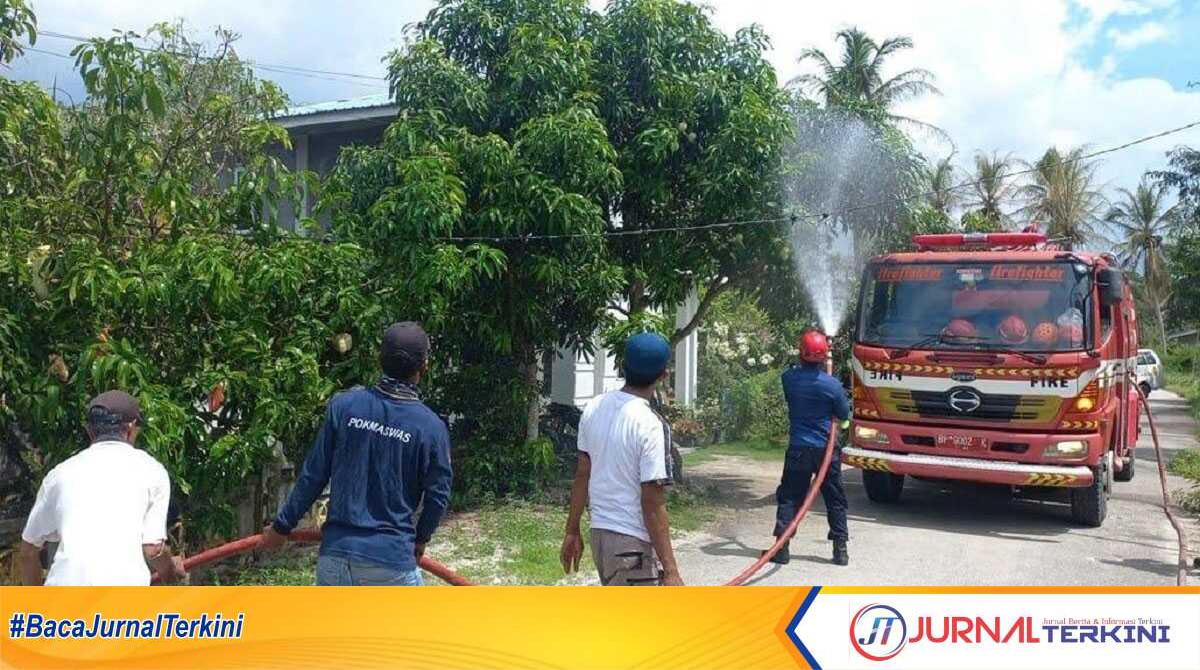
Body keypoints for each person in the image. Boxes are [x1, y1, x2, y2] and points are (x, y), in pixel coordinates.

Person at [261, 321, 452, 586]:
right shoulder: (431, 427)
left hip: (335, 560)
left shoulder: (344, 407)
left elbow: (313, 475)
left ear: (379, 359)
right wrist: (421, 539)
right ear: (424, 367)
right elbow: (438, 496)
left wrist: (281, 527)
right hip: (392, 563)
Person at [18, 390, 187, 585]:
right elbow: (153, 550)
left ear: (90, 430)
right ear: (131, 428)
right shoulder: (151, 471)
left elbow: (28, 552)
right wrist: (170, 572)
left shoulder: (59, 475)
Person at [560, 332, 682, 586]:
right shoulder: (651, 424)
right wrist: (671, 571)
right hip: (631, 545)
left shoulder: (594, 406)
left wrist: (572, 530)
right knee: (638, 625)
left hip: (600, 537)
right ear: (663, 376)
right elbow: (652, 500)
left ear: (622, 367)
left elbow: (583, 474)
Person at [768, 329, 852, 567]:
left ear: (800, 353)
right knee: (835, 498)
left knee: (790, 497)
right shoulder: (833, 385)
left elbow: (796, 393)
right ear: (824, 356)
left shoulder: (789, 378)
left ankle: (781, 548)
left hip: (798, 449)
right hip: (826, 451)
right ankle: (840, 550)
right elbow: (843, 414)